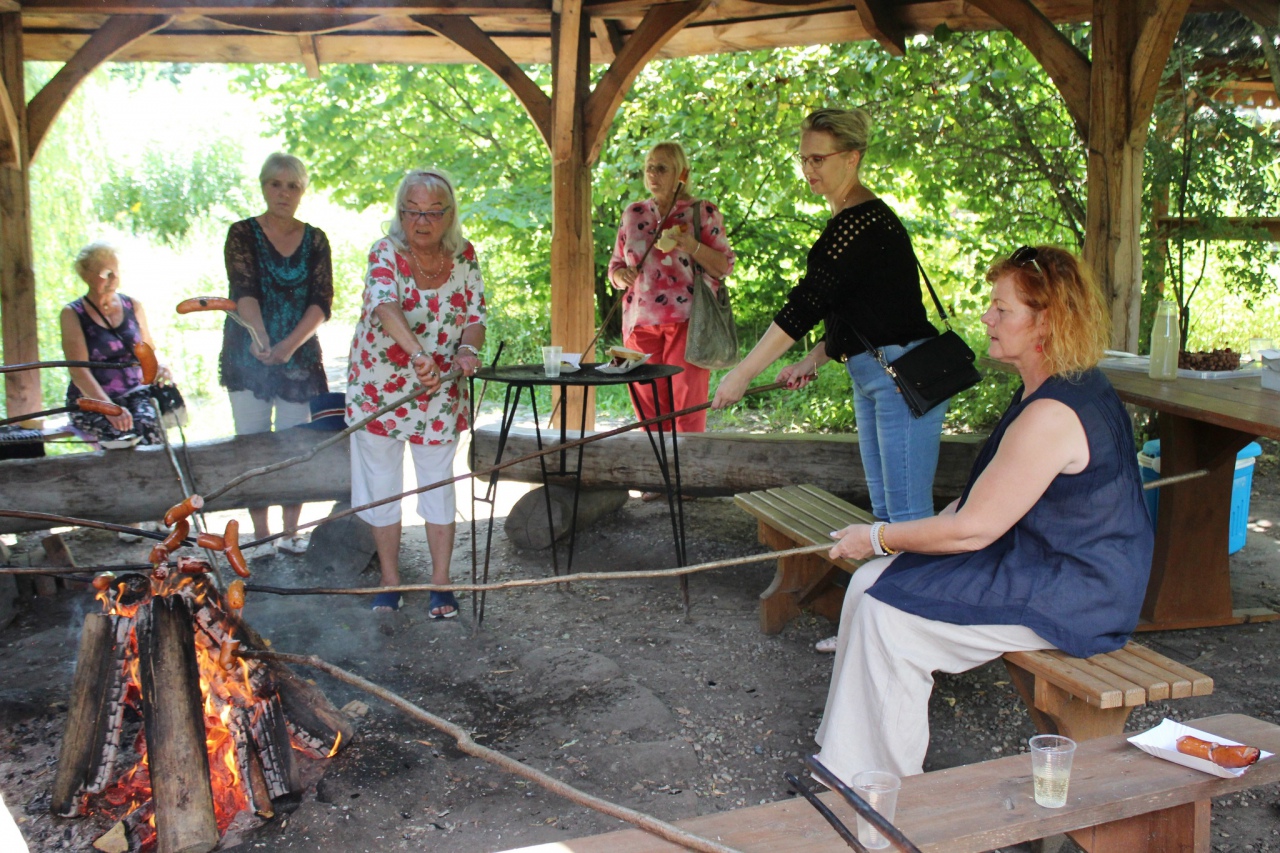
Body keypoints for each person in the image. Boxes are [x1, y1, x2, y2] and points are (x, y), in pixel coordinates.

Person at [814, 246, 1154, 783]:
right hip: (1042, 559)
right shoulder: (1049, 387)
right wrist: (884, 546)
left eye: (1002, 309)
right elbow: (976, 505)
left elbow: (973, 529)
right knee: (870, 584)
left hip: (1081, 589)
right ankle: (846, 764)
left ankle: (882, 791)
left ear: (1046, 322)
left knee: (889, 617)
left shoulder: (1054, 413)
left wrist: (878, 535)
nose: (986, 318)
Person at [710, 108, 946, 651]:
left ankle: (915, 639)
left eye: (819, 159)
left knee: (907, 518)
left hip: (901, 380)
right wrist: (815, 359)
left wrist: (744, 373)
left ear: (853, 158)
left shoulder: (861, 221)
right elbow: (857, 311)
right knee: (886, 514)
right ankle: (883, 628)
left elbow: (805, 305)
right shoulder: (850, 222)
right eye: (803, 159)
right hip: (875, 376)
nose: (808, 169)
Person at [345, 169, 486, 616]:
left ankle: (440, 583)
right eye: (412, 211)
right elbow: (384, 304)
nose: (421, 221)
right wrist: (418, 354)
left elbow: (475, 315)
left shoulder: (464, 256)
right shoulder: (384, 253)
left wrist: (466, 352)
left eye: (432, 212)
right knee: (383, 485)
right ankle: (390, 581)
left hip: (439, 388)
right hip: (380, 386)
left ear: (449, 215)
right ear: (400, 213)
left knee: (438, 483)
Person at [219, 153, 333, 559]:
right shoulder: (242, 234)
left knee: (293, 447)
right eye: (275, 184)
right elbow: (243, 289)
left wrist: (289, 347)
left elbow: (321, 302)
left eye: (292, 186)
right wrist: (261, 337)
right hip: (248, 351)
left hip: (298, 356)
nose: (283, 193)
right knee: (252, 446)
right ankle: (260, 535)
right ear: (264, 186)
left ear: (302, 191)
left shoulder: (316, 239)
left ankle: (291, 532)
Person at [608, 142, 734, 498]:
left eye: (662, 168)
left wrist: (690, 244)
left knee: (687, 402)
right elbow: (615, 268)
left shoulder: (702, 211)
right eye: (649, 167)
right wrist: (621, 278)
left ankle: (687, 479)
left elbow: (723, 266)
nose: (652, 174)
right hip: (639, 322)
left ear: (682, 173)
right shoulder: (633, 213)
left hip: (689, 321)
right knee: (648, 405)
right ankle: (657, 478)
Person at [60, 242, 172, 449]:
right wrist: (109, 408)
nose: (113, 278)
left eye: (116, 272)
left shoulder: (133, 305)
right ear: (86, 275)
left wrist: (159, 367)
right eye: (106, 273)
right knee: (121, 437)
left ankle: (160, 479)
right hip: (93, 400)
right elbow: (78, 371)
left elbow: (147, 351)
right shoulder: (72, 314)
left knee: (148, 429)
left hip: (135, 392)